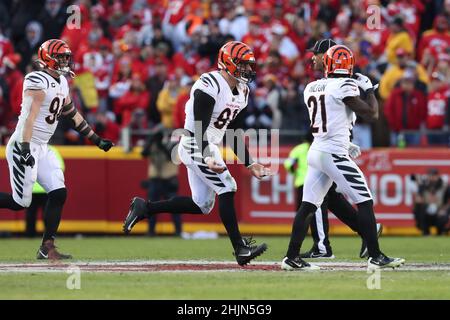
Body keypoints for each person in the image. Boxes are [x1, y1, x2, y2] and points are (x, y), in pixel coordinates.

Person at [123, 41, 269, 266]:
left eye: (249, 66)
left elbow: (231, 130)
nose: (248, 70)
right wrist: (208, 156)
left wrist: (250, 163)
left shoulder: (242, 91)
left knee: (202, 205)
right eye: (242, 64)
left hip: (208, 144)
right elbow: (200, 127)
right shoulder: (209, 84)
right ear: (227, 62)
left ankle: (146, 208)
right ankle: (240, 248)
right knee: (228, 187)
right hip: (194, 143)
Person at [281, 45, 405, 270]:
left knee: (308, 205)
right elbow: (372, 113)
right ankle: (376, 256)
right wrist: (369, 90)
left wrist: (346, 140)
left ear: (328, 64)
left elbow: (330, 117)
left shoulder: (311, 86)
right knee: (364, 200)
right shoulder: (344, 84)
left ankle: (291, 256)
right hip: (334, 153)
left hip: (317, 150)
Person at [0, 39, 113, 259]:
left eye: (65, 57)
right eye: (60, 56)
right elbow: (29, 116)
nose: (64, 61)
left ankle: (47, 247)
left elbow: (71, 112)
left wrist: (96, 139)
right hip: (25, 143)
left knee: (59, 192)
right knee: (20, 202)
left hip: (41, 145)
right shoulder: (36, 79)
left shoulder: (61, 82)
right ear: (47, 58)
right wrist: (24, 147)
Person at [296, 39, 382, 259]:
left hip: (331, 146)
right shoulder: (333, 84)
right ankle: (365, 234)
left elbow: (364, 114)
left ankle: (319, 248)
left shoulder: (321, 85)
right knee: (325, 198)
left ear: (328, 57)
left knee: (327, 199)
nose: (313, 58)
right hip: (330, 144)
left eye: (316, 54)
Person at [140, 124, 182, 236]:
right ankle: (150, 231)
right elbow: (143, 153)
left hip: (169, 178)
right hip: (155, 179)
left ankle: (178, 231)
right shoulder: (153, 143)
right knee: (151, 207)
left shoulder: (174, 144)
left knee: (174, 207)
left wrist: (160, 144)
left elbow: (170, 156)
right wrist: (151, 140)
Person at [25, 145, 64, 238]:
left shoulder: (28, 148)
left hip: (32, 188)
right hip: (47, 189)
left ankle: (29, 236)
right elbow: (61, 167)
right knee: (48, 213)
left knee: (31, 214)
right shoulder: (52, 149)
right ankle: (48, 237)